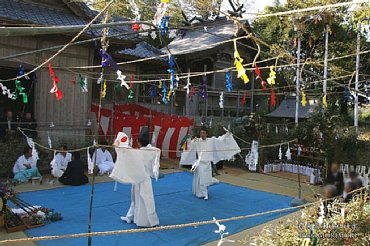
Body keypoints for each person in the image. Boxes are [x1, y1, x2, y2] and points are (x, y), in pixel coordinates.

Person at [110, 128, 160, 227]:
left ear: (138, 142)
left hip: (142, 179)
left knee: (144, 200)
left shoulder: (138, 153)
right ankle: (130, 217)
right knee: (136, 199)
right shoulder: (154, 151)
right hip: (142, 179)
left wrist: (119, 144)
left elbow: (125, 152)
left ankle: (147, 221)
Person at [180, 126, 241, 200]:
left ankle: (204, 191)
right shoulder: (197, 141)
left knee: (206, 179)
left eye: (203, 133)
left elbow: (220, 140)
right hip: (200, 164)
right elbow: (189, 145)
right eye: (201, 133)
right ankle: (203, 194)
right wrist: (188, 139)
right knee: (201, 179)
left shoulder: (211, 140)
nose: (202, 134)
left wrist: (227, 135)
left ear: (206, 134)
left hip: (208, 163)